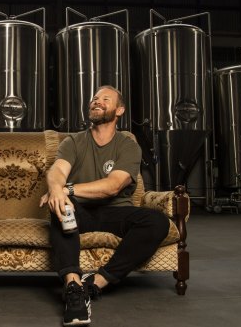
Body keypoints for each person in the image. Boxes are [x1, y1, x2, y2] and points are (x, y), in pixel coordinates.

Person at [39, 85, 170, 326]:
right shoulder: (74, 141)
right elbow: (58, 170)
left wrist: (64, 189)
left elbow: (113, 186)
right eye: (95, 98)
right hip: (80, 211)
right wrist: (57, 189)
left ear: (119, 110)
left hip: (116, 212)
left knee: (157, 221)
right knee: (61, 206)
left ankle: (96, 283)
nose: (97, 101)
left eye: (105, 99)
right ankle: (73, 287)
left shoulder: (128, 144)